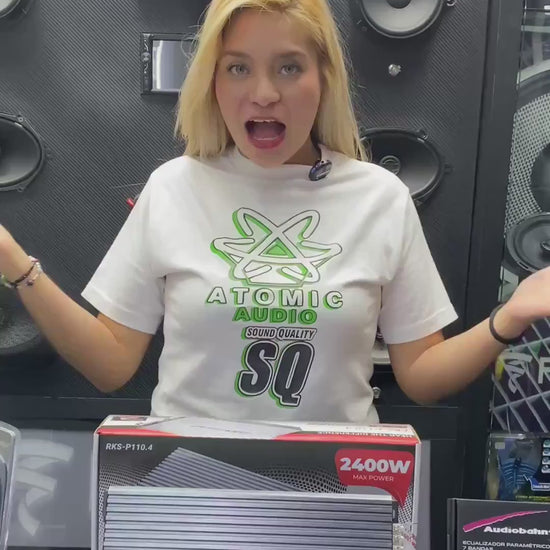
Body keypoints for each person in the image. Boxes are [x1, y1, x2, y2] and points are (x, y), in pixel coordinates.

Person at [0, 0, 547, 425]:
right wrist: (15, 263)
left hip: (335, 483)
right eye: (238, 68)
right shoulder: (173, 188)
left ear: (323, 78)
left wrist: (510, 318)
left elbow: (423, 377)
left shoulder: (380, 198)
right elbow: (110, 363)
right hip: (193, 486)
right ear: (213, 82)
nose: (263, 93)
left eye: (288, 67)